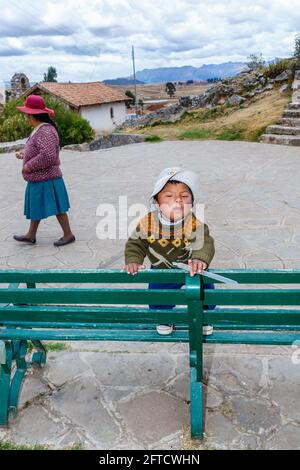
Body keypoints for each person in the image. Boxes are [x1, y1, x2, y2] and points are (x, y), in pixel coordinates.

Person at [124, 167, 215, 335]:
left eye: (184, 196)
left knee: (205, 287)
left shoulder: (192, 223)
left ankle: (204, 317)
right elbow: (136, 243)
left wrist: (200, 259)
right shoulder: (148, 222)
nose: (178, 201)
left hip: (192, 269)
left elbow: (204, 241)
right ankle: (164, 318)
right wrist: (133, 259)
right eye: (169, 196)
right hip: (162, 269)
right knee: (157, 293)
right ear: (157, 202)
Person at [14, 95, 75, 247]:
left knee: (58, 208)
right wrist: (24, 154)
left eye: (27, 115)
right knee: (35, 205)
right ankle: (31, 235)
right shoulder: (40, 129)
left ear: (33, 115)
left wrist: (28, 166)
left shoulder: (45, 131)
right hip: (40, 178)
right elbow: (39, 150)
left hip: (48, 177)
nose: (26, 118)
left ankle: (68, 235)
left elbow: (48, 155)